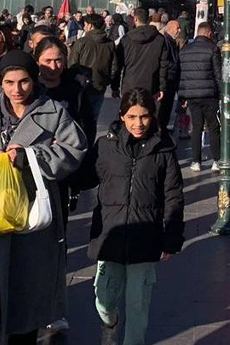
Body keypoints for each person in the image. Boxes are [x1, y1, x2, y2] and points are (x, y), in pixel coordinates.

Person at [0, 50, 87, 345]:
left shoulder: (54, 112)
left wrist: (31, 156)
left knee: (24, 295)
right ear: (0, 82)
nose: (16, 90)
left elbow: (75, 150)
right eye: (9, 82)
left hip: (29, 217)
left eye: (23, 82)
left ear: (33, 80)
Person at [79, 88, 184, 345]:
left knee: (138, 306)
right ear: (122, 116)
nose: (139, 123)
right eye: (133, 117)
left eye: (145, 117)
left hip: (145, 236)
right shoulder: (105, 146)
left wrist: (171, 238)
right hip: (109, 235)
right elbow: (84, 177)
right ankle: (111, 321)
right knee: (103, 299)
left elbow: (173, 195)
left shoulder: (163, 151)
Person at [177, 21, 221, 172]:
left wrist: (182, 96)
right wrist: (222, 94)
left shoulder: (185, 50)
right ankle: (216, 160)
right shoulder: (212, 49)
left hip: (192, 95)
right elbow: (218, 74)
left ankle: (196, 161)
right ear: (209, 33)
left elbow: (181, 75)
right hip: (209, 94)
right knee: (214, 127)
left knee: (196, 127)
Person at [69, 14, 118, 124]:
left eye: (85, 24)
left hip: (81, 87)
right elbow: (114, 67)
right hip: (99, 85)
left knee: (77, 119)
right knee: (92, 120)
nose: (84, 27)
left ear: (90, 26)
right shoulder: (109, 44)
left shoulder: (82, 42)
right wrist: (107, 80)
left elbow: (72, 65)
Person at [117, 8, 168, 99]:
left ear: (135, 19)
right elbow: (163, 65)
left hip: (130, 84)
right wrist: (162, 87)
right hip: (151, 84)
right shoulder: (159, 39)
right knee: (146, 112)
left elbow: (118, 64)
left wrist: (115, 86)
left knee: (129, 111)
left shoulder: (126, 39)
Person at [158, 20, 182, 132]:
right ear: (170, 28)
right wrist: (174, 66)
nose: (179, 31)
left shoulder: (172, 41)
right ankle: (160, 129)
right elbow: (165, 61)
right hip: (167, 79)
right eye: (177, 28)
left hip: (171, 80)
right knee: (163, 108)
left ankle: (163, 128)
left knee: (167, 107)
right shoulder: (165, 41)